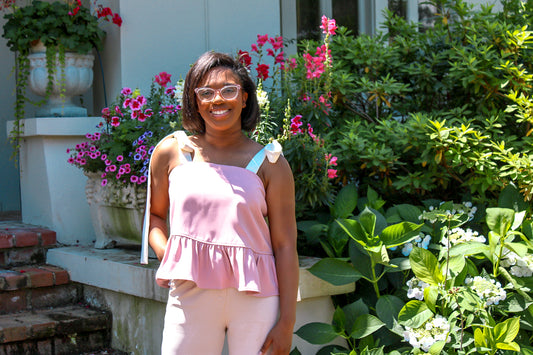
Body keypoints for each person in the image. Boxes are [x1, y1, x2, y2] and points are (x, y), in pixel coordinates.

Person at [140, 51, 299, 355]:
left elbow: (285, 246)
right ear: (194, 100)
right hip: (189, 291)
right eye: (206, 92)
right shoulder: (172, 152)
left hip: (256, 297)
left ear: (244, 98)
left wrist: (286, 323)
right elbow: (155, 218)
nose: (217, 100)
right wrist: (167, 252)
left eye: (228, 90)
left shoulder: (270, 163)